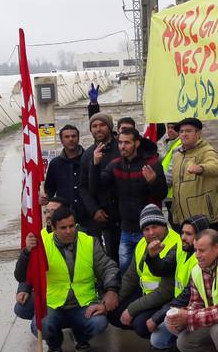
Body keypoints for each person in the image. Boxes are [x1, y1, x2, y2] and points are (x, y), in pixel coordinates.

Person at [16, 206, 120, 352]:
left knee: (99, 322)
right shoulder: (41, 244)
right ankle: (54, 344)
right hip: (53, 304)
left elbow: (108, 267)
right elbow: (21, 275)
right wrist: (26, 252)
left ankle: (81, 338)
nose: (69, 231)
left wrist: (111, 290)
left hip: (83, 303)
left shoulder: (89, 242)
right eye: (63, 228)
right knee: (41, 325)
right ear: (53, 228)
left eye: (72, 226)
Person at [91, 127, 167, 273]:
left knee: (148, 269)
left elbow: (161, 194)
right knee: (126, 270)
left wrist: (153, 182)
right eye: (120, 143)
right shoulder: (115, 164)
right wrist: (95, 165)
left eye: (127, 143)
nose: (122, 146)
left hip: (147, 230)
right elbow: (97, 187)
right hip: (126, 229)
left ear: (136, 143)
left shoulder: (151, 164)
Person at [110, 204, 181, 338]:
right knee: (113, 313)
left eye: (155, 227)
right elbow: (131, 277)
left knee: (140, 324)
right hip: (146, 294)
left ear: (164, 225)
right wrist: (116, 299)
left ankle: (167, 336)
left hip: (167, 299)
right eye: (146, 229)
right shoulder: (142, 243)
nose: (151, 233)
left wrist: (131, 310)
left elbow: (165, 292)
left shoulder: (176, 244)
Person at [148, 215, 212, 352]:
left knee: (164, 326)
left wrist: (157, 317)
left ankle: (201, 351)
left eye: (188, 234)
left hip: (198, 310)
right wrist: (152, 257)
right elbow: (162, 269)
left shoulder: (203, 259)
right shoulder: (181, 249)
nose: (183, 237)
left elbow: (186, 294)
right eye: (182, 232)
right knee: (157, 339)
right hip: (183, 306)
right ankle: (184, 346)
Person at [14, 196, 67, 321]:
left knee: (96, 322)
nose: (48, 215)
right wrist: (24, 288)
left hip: (75, 297)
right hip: (51, 295)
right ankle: (53, 330)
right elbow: (24, 272)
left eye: (53, 212)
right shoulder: (39, 237)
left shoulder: (81, 237)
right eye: (46, 211)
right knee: (21, 308)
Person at [79, 112, 122, 259]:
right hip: (105, 216)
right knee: (111, 256)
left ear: (109, 127)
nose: (98, 129)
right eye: (94, 126)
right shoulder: (88, 154)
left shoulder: (121, 148)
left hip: (126, 214)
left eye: (102, 125)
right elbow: (83, 187)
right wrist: (94, 210)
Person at [170, 118, 218, 231]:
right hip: (184, 220)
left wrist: (201, 168)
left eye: (188, 131)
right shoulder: (177, 155)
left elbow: (216, 167)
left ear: (198, 133)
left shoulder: (206, 151)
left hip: (204, 220)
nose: (184, 134)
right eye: (181, 131)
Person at [42, 125, 85, 220]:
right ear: (61, 140)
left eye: (74, 136)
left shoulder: (88, 158)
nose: (71, 139)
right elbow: (50, 188)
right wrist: (46, 197)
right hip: (64, 217)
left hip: (88, 215)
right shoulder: (55, 163)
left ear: (78, 138)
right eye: (67, 137)